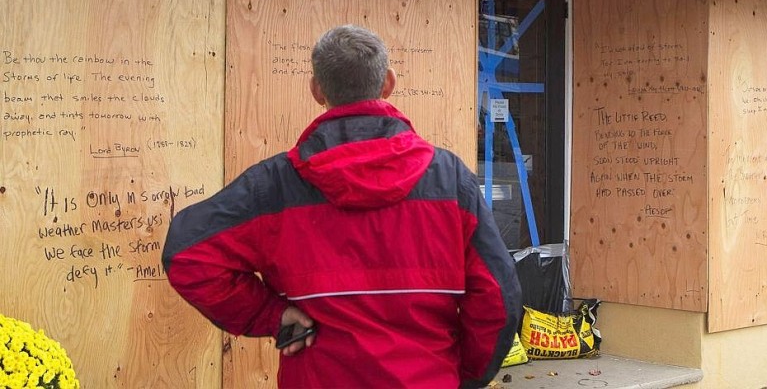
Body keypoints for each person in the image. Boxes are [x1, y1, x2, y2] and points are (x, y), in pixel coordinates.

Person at [162, 24, 521, 388]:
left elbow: (188, 255)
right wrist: (466, 377)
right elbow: (498, 297)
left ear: (317, 90)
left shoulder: (274, 186)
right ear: (388, 83)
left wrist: (272, 315)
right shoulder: (451, 181)